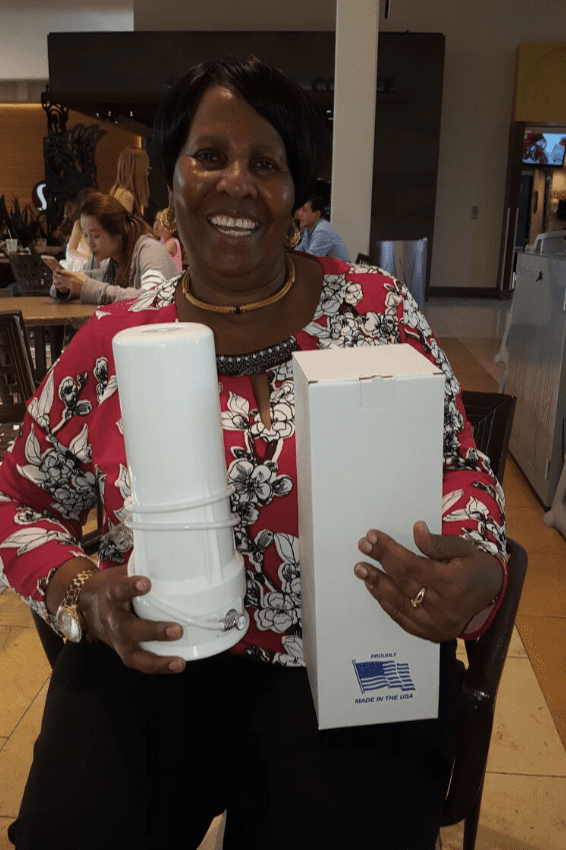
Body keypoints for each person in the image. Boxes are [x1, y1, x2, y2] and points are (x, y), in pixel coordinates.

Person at [0, 55, 506, 850]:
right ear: (171, 179)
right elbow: (18, 502)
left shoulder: (375, 311)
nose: (235, 183)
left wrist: (476, 564)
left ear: (298, 195)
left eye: (265, 164)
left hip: (351, 655)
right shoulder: (112, 343)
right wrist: (79, 589)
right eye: (209, 155)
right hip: (158, 652)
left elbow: (460, 469)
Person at [50, 192, 177, 304]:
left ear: (118, 231)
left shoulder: (150, 250)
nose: (90, 243)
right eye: (86, 235)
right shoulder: (108, 260)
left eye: (96, 236)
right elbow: (84, 282)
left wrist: (87, 287)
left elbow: (153, 298)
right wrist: (65, 287)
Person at [295, 193, 351, 261]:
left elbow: (310, 260)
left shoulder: (322, 230)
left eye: (304, 210)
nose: (300, 214)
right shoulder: (309, 228)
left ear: (317, 214)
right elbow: (299, 251)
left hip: (341, 267)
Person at [110, 145, 151, 217]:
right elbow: (125, 224)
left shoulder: (117, 191)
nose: (147, 174)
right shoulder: (127, 196)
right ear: (138, 172)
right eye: (147, 170)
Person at [154, 207, 184, 273]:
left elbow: (157, 257)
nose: (156, 224)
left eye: (161, 222)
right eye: (156, 220)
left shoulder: (173, 242)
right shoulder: (159, 242)